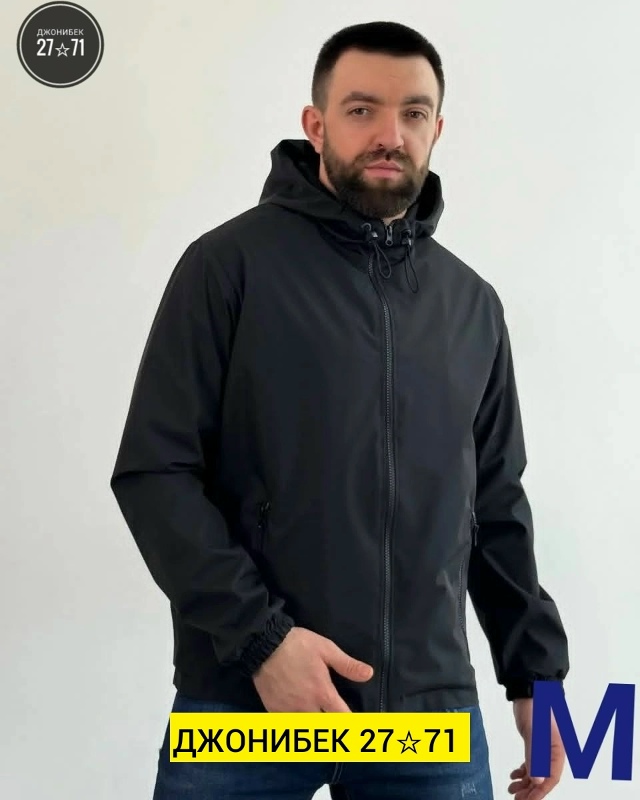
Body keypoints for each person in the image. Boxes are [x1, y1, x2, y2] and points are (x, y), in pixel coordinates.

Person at [110, 19, 570, 800]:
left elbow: (495, 505)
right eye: (362, 110)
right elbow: (156, 473)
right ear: (316, 125)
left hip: (424, 712)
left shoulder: (471, 305)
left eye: (414, 112)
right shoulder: (227, 268)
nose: (391, 134)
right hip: (248, 703)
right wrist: (263, 641)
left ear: (437, 129)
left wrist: (538, 679)